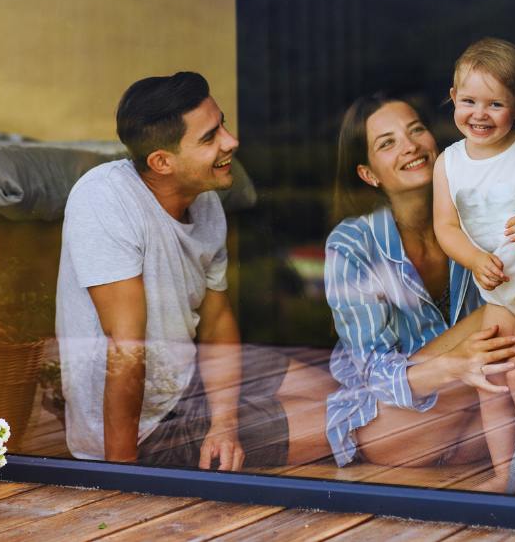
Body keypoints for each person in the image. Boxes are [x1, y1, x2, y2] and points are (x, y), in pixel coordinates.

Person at [56, 72, 334, 471]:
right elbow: (126, 350)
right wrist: (120, 478)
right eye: (210, 138)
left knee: (336, 395)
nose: (231, 142)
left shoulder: (205, 202)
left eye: (223, 123)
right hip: (145, 430)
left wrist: (223, 423)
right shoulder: (103, 200)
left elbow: (217, 319)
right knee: (355, 423)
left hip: (189, 378)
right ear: (162, 162)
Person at [325, 94, 515, 492]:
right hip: (398, 425)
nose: (409, 146)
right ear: (369, 174)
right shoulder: (354, 242)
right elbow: (373, 372)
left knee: (514, 324)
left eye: (416, 130)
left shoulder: (481, 214)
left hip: (480, 415)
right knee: (502, 314)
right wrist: (457, 365)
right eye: (386, 143)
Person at [433, 38, 515, 486]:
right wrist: (475, 259)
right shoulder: (449, 163)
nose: (479, 114)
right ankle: (505, 474)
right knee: (492, 376)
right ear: (453, 98)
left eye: (495, 103)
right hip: (497, 287)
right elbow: (446, 228)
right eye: (469, 101)